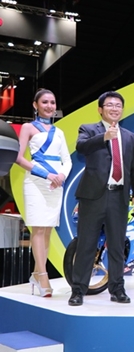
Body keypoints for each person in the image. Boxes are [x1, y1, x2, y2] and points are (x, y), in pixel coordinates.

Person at [68, 91, 134, 306]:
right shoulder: (89, 129)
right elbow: (81, 147)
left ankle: (117, 289)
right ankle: (78, 290)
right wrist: (104, 137)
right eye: (109, 105)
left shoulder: (129, 136)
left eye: (118, 105)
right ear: (100, 109)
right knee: (86, 245)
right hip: (93, 196)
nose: (114, 108)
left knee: (117, 246)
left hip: (119, 196)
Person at [15, 89, 72, 297]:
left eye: (52, 102)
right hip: (36, 183)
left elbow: (67, 160)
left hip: (56, 185)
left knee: (47, 230)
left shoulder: (59, 132)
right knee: (38, 229)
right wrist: (48, 175)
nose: (49, 106)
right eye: (45, 102)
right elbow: (19, 157)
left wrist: (61, 176)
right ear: (35, 105)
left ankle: (37, 274)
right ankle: (43, 275)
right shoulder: (28, 127)